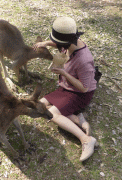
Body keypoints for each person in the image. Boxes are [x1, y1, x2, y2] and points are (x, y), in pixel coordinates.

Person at [34, 17, 97, 162]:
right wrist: (44, 43)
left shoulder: (83, 59)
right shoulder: (68, 43)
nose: (56, 44)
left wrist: (63, 73)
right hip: (66, 87)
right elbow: (57, 42)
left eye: (58, 42)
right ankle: (79, 119)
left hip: (79, 93)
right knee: (40, 106)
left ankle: (86, 139)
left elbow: (84, 87)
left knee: (51, 114)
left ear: (66, 42)